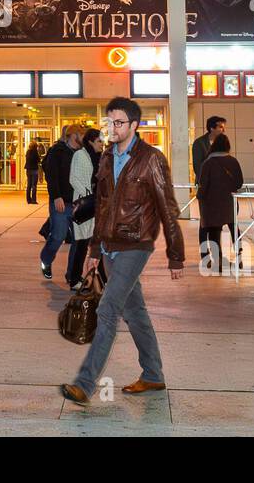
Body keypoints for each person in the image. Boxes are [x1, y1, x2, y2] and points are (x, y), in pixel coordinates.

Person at [61, 97, 184, 405]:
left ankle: (84, 384)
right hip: (109, 245)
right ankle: (153, 375)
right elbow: (102, 207)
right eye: (109, 122)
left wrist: (175, 253)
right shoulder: (105, 159)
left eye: (118, 123)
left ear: (133, 125)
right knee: (135, 312)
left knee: (108, 309)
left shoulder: (151, 159)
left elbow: (168, 207)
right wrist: (93, 248)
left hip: (136, 243)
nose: (112, 128)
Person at [40, 124, 83, 281]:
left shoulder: (82, 153)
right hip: (61, 202)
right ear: (73, 135)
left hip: (78, 203)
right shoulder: (56, 151)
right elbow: (52, 176)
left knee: (79, 240)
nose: (83, 137)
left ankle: (73, 275)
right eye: (81, 134)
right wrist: (56, 196)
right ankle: (46, 260)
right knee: (58, 236)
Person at [196, 134, 243, 273]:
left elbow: (203, 185)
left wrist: (200, 197)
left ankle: (218, 261)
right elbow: (239, 182)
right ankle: (239, 259)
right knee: (235, 230)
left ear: (214, 146)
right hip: (229, 201)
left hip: (212, 204)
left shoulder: (208, 163)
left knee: (214, 232)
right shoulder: (233, 161)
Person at [66, 128, 104, 290]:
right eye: (99, 141)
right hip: (84, 204)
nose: (102, 144)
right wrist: (88, 194)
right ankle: (74, 279)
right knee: (81, 243)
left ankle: (100, 277)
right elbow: (73, 178)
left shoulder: (98, 157)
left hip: (95, 203)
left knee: (95, 243)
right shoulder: (80, 155)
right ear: (90, 141)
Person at [191, 115, 227, 184]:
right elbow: (197, 166)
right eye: (221, 127)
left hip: (221, 183)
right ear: (212, 128)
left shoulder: (223, 143)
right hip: (205, 184)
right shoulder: (199, 143)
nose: (224, 130)